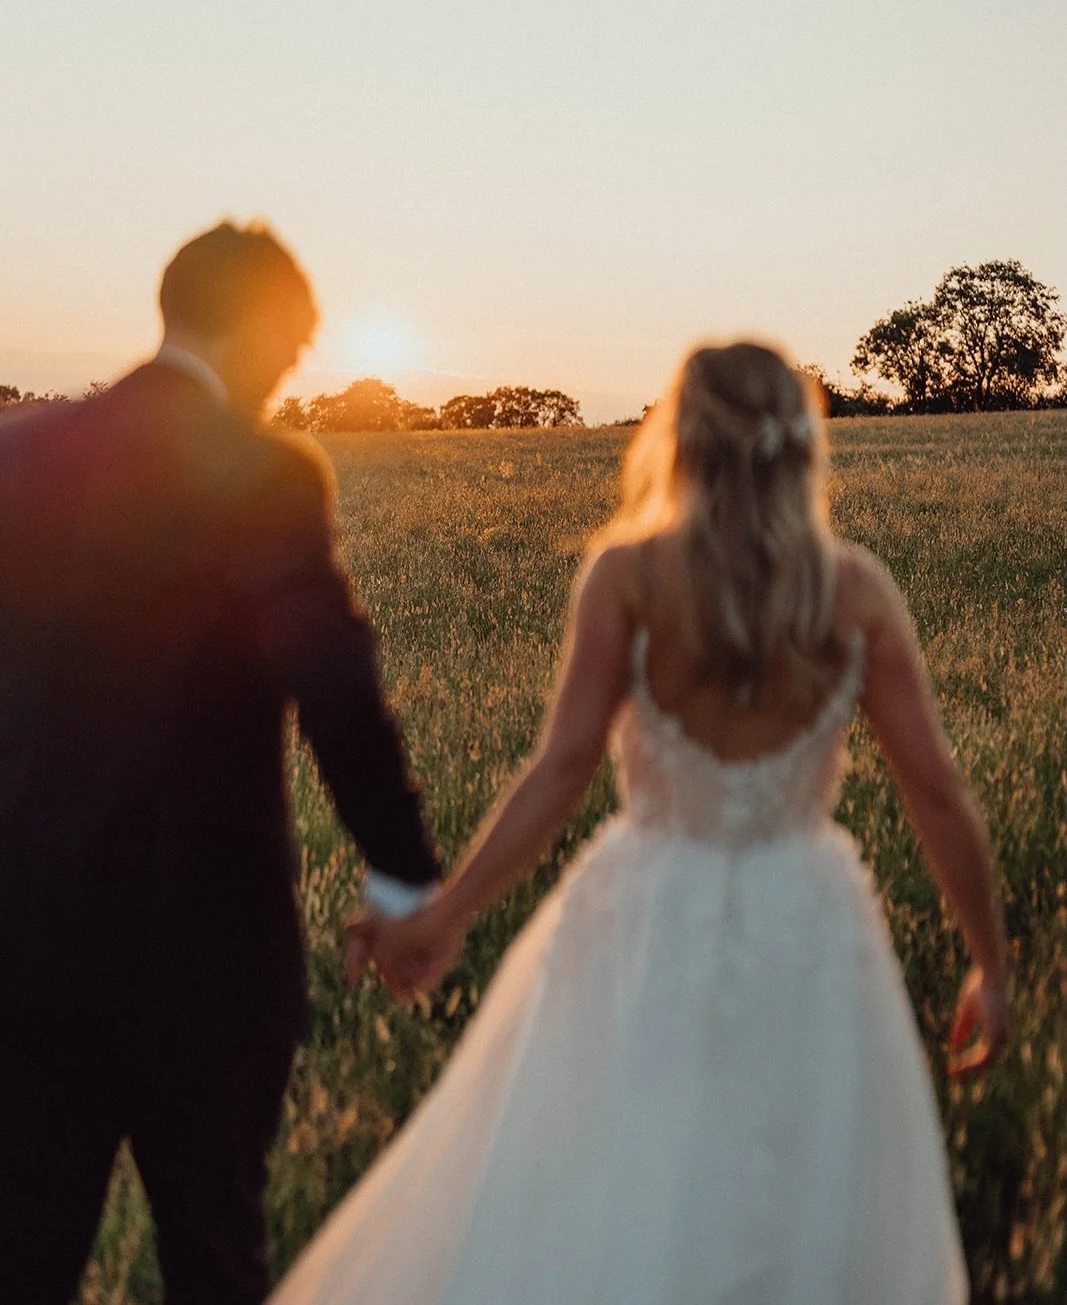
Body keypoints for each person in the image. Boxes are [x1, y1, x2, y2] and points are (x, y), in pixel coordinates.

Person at [273, 341, 1010, 1305]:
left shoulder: (628, 579)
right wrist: (990, 965)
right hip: (809, 923)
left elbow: (562, 769)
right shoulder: (855, 591)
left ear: (681, 440)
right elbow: (938, 793)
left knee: (619, 1181)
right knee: (794, 1195)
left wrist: (448, 914)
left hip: (647, 913)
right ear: (800, 448)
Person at [0, 221, 442, 1304]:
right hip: (205, 957)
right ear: (256, 328)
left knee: (21, 1254)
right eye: (290, 349)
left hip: (27, 944)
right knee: (214, 1257)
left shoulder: (18, 454)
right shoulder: (264, 472)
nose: (287, 375)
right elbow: (331, 680)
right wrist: (401, 877)